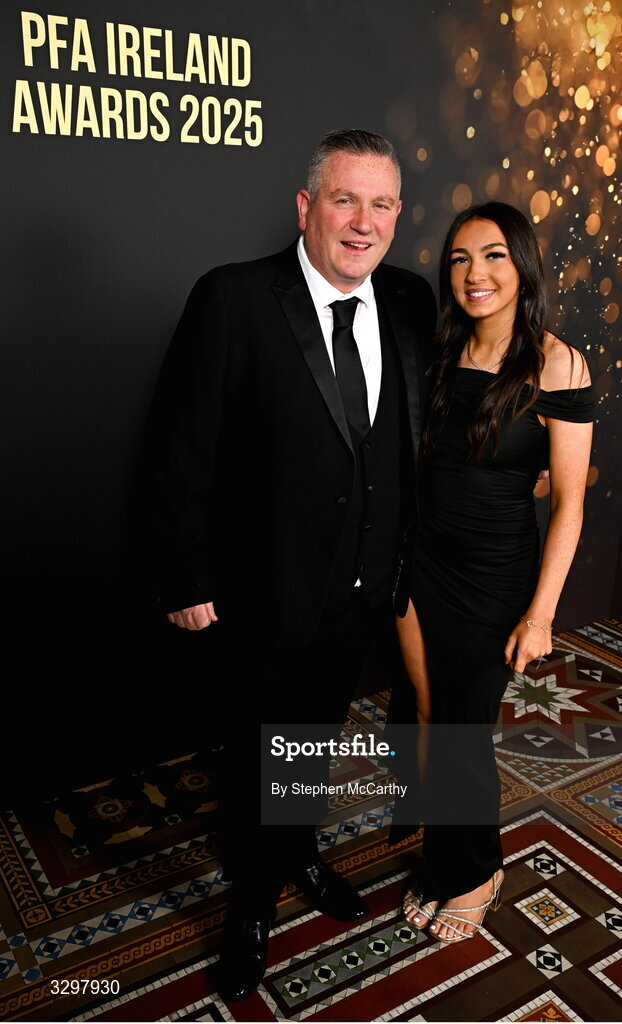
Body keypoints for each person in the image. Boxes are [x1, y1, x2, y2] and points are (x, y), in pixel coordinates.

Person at [143, 129, 436, 998]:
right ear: (306, 208)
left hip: (365, 589)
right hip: (261, 590)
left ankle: (299, 852)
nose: (364, 222)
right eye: (345, 200)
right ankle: (251, 906)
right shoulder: (233, 299)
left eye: (382, 204)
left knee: (312, 735)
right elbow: (179, 445)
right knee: (257, 750)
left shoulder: (412, 301)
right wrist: (185, 577)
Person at [397, 201, 593, 943]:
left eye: (493, 256)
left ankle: (478, 870)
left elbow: (570, 504)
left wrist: (541, 614)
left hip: (493, 577)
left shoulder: (558, 363)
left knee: (462, 730)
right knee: (428, 717)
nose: (473, 274)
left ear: (523, 266)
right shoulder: (439, 349)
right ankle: (448, 858)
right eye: (458, 259)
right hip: (419, 566)